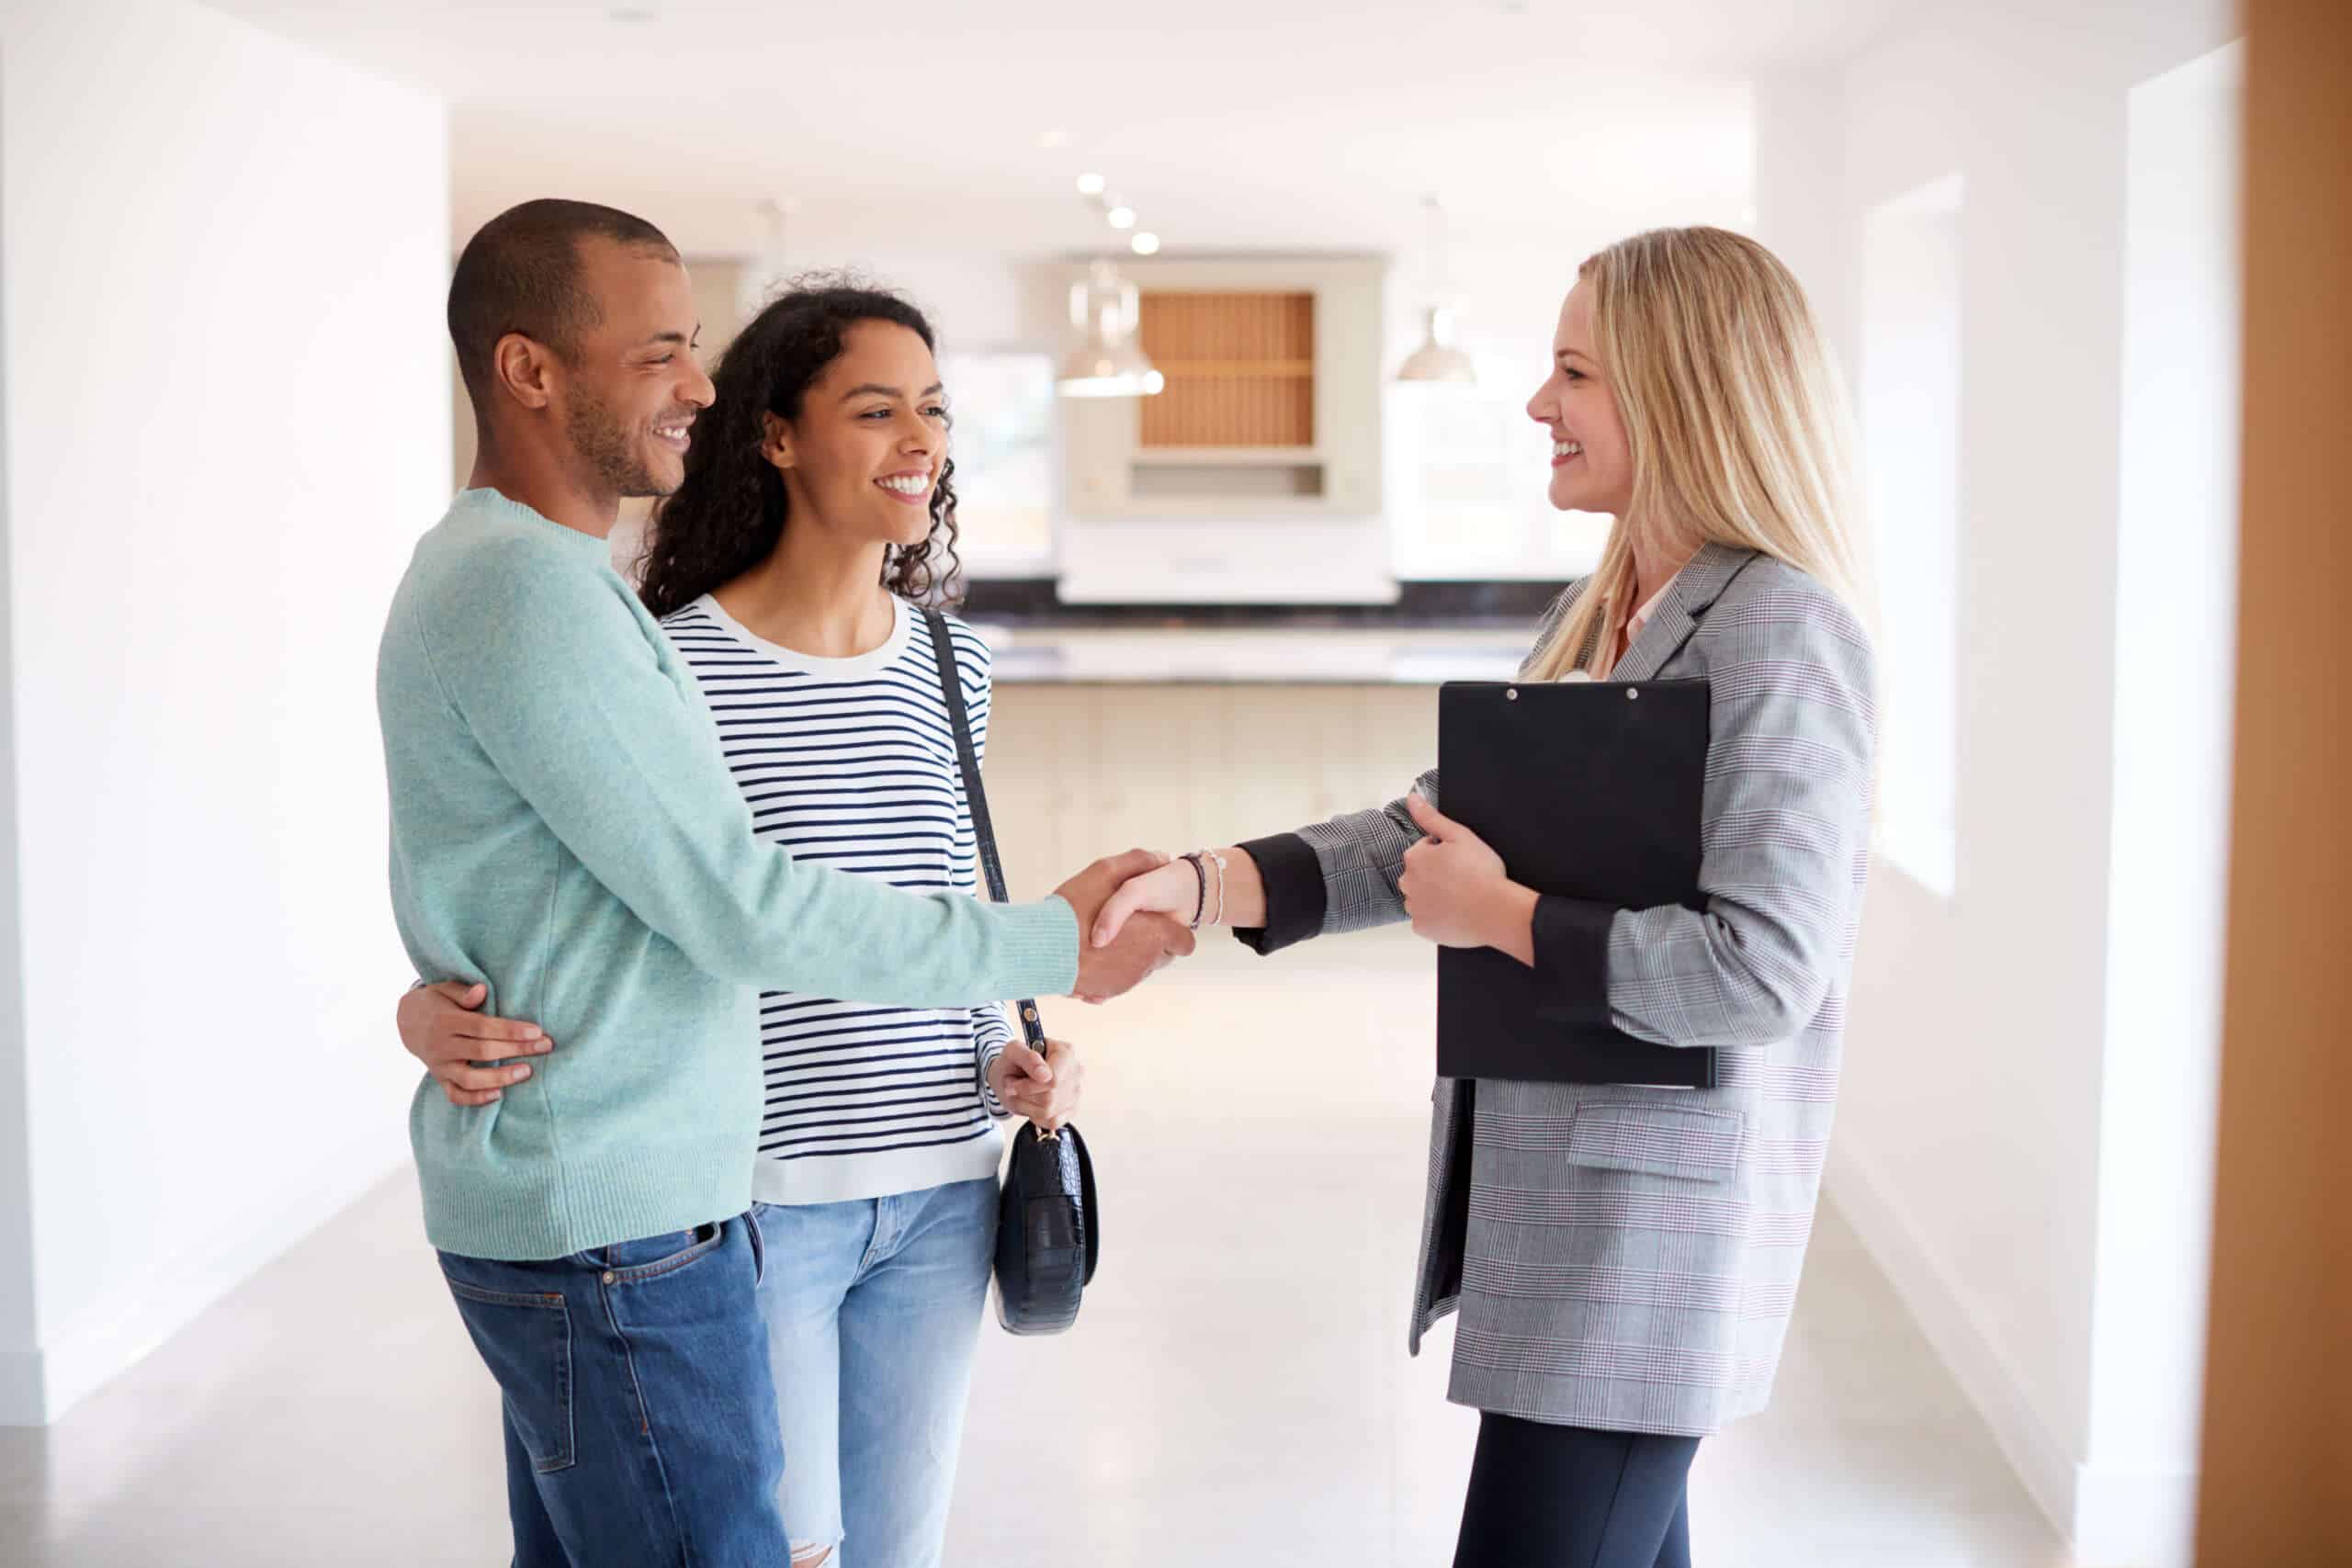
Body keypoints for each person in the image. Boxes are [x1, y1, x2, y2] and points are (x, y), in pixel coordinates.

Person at [379, 202, 1190, 1567]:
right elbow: (732, 902)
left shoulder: (928, 660)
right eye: (661, 352)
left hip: (910, 1175)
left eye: (933, 408)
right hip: (718, 1194)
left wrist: (1008, 1032)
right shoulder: (586, 614)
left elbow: (540, 869)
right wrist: (1044, 941)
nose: (694, 380)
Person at [1094, 225, 1877, 1567]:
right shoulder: (1608, 609)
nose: (1537, 406)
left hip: (1652, 1239)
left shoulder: (1780, 630)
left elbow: (1762, 974)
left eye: (1573, 373)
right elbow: (1428, 833)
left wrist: (1504, 917)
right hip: (1575, 1216)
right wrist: (1209, 881)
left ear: (1679, 390)